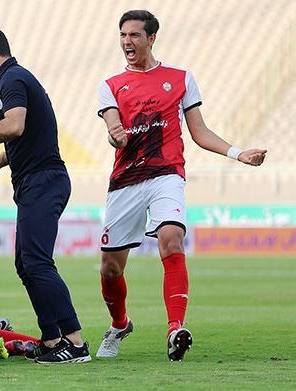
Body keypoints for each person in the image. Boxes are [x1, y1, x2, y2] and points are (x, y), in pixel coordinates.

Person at [95, 10, 267, 361]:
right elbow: (113, 125)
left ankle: (175, 329)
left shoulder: (181, 78)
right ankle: (120, 324)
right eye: (123, 35)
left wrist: (238, 154)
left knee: (171, 239)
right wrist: (116, 136)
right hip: (125, 181)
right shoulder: (110, 85)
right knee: (111, 268)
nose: (127, 42)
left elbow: (199, 132)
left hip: (166, 174)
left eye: (135, 35)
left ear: (152, 38)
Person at [0, 26, 90, 364]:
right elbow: (27, 135)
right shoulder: (14, 80)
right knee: (25, 264)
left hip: (44, 181)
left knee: (37, 262)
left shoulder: (12, 80)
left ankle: (75, 342)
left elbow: (15, 126)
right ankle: (53, 339)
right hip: (36, 180)